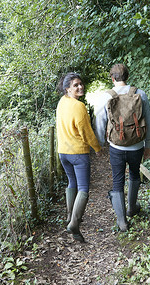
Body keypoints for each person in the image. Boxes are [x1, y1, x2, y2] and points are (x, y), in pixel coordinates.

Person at [94, 64, 150, 231]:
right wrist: (147, 145)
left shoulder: (106, 97)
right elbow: (148, 122)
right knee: (134, 174)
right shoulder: (140, 94)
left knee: (117, 180)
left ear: (112, 78)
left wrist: (100, 144)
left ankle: (122, 221)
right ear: (127, 76)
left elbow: (99, 122)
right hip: (136, 146)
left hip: (116, 147)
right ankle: (132, 208)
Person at [56, 72, 101, 242]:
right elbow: (86, 132)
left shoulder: (62, 103)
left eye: (81, 84)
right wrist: (97, 147)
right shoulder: (79, 106)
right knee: (83, 188)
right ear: (67, 88)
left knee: (72, 183)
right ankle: (74, 223)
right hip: (78, 153)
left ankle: (70, 216)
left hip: (63, 152)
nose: (80, 87)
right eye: (75, 85)